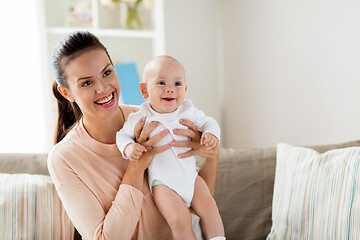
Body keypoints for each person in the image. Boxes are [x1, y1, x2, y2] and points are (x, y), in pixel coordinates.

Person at [47, 30, 221, 240]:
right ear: (67, 93)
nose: (103, 88)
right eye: (86, 83)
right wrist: (136, 168)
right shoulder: (64, 159)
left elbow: (193, 200)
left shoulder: (149, 118)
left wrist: (212, 157)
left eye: (107, 72)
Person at [116, 56, 225, 240]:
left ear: (185, 89)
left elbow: (210, 122)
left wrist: (211, 134)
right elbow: (122, 135)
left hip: (192, 178)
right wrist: (128, 147)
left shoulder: (189, 111)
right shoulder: (141, 117)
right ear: (144, 90)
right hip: (164, 184)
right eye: (161, 82)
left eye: (177, 83)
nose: (170, 89)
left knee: (211, 208)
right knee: (180, 221)